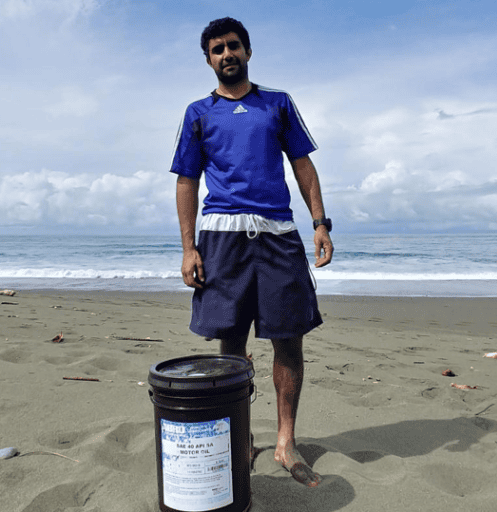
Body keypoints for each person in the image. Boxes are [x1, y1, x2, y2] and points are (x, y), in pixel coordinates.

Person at [170, 17, 333, 488]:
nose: (227, 54)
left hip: (278, 235)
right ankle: (240, 440)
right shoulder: (198, 112)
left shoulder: (277, 105)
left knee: (289, 338)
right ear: (208, 60)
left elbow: (302, 165)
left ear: (248, 51)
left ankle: (286, 441)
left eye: (234, 46)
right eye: (218, 49)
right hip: (221, 237)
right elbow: (187, 181)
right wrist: (188, 249)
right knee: (230, 341)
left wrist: (320, 223)